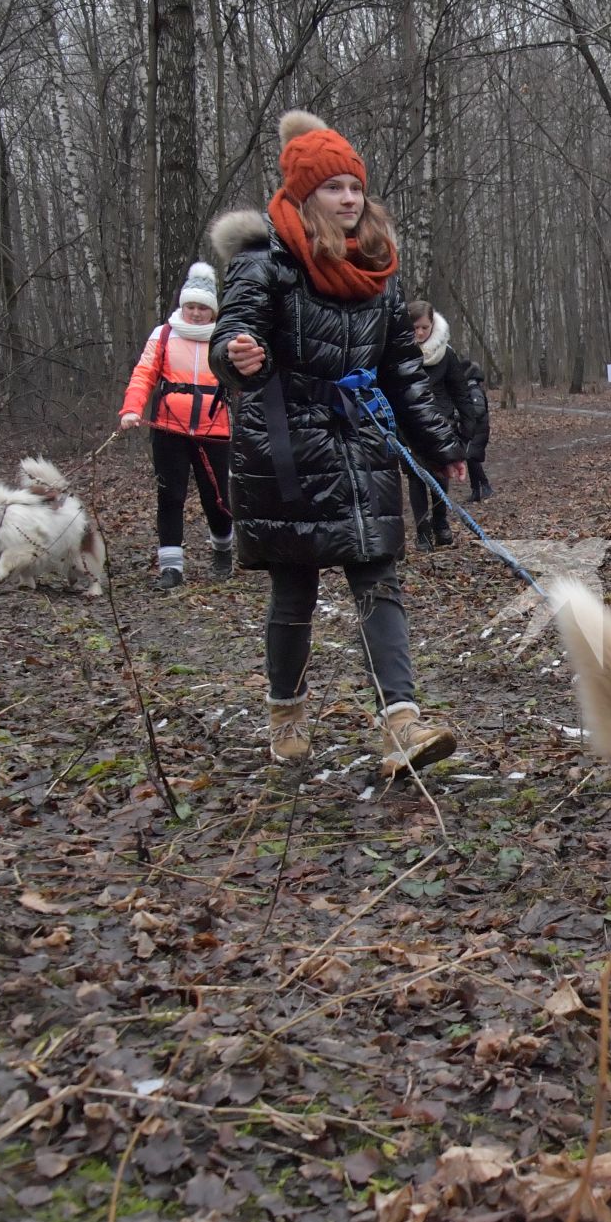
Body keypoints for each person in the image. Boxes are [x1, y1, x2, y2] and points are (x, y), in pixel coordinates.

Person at [206, 109, 466, 777]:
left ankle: (401, 723)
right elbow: (229, 344)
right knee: (293, 590)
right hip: (285, 447)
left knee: (378, 579)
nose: (349, 199)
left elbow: (403, 370)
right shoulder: (264, 265)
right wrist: (238, 354)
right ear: (303, 193)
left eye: (355, 186)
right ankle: (285, 714)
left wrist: (443, 443)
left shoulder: (379, 269)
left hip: (362, 444)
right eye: (333, 188)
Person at [116, 262, 234, 589]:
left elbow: (243, 381)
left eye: (203, 308)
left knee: (218, 499)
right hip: (169, 429)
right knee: (171, 496)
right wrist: (131, 409)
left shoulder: (226, 337)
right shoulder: (164, 334)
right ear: (183, 306)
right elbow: (143, 375)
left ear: (213, 311)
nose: (196, 314)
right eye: (191, 307)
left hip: (215, 430)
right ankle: (171, 568)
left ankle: (223, 551)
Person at [405, 301, 492, 548]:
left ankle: (440, 522)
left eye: (424, 327)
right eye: (414, 328)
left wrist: (468, 426)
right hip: (409, 425)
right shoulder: (400, 354)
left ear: (432, 326)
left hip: (440, 423)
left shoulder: (446, 354)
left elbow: (460, 391)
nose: (419, 333)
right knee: (415, 477)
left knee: (440, 473)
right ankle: (422, 532)